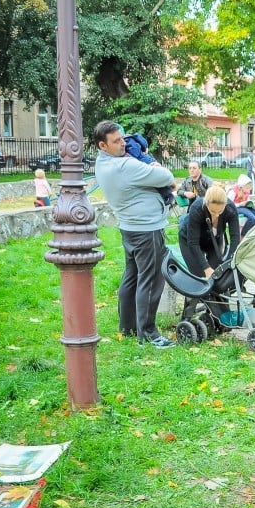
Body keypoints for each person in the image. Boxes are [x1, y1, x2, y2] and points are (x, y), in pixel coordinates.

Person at [94, 120, 177, 348]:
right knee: (150, 280)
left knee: (131, 277)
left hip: (130, 228)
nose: (123, 144)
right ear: (103, 145)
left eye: (122, 138)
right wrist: (153, 164)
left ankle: (128, 326)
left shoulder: (102, 165)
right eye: (116, 141)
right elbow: (167, 177)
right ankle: (149, 334)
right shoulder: (126, 167)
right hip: (147, 230)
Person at [178, 185, 241, 321]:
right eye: (212, 211)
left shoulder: (230, 209)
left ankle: (220, 317)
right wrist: (206, 268)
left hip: (213, 242)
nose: (216, 215)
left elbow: (235, 237)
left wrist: (229, 260)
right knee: (198, 279)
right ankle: (186, 318)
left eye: (220, 211)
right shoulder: (197, 208)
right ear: (206, 203)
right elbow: (193, 243)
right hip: (190, 241)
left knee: (218, 277)